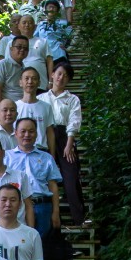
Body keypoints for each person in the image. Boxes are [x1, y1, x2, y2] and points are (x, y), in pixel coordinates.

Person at [39, 61, 87, 225]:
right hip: (45, 137)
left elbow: (74, 121)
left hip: (65, 137)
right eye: (59, 73)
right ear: (52, 74)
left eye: (66, 76)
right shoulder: (41, 98)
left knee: (71, 176)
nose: (61, 77)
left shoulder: (72, 99)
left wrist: (69, 143)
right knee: (44, 178)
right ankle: (50, 218)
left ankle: (79, 218)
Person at [6, 117, 63, 237]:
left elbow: (53, 185)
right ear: (16, 133)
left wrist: (56, 212)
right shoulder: (7, 158)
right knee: (19, 241)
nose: (27, 135)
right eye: (23, 131)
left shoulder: (46, 157)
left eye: (31, 131)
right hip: (18, 207)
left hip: (43, 207)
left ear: (37, 134)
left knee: (42, 244)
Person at [0, 14, 54, 87]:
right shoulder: (11, 43)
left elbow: (50, 61)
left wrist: (51, 81)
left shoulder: (43, 41)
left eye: (30, 23)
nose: (27, 25)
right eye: (24, 23)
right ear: (19, 26)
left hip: (41, 84)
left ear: (35, 27)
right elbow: (8, 63)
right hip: (19, 85)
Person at [12, 67, 56, 147]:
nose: (30, 82)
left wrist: (52, 156)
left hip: (41, 151)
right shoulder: (14, 107)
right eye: (26, 78)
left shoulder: (46, 107)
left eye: (34, 79)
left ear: (39, 83)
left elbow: (50, 133)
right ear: (20, 82)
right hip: (20, 152)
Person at [0, 34, 31, 106]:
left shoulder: (25, 68)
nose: (22, 50)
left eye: (25, 48)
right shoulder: (2, 65)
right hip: (8, 107)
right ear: (11, 49)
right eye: (19, 47)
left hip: (23, 106)